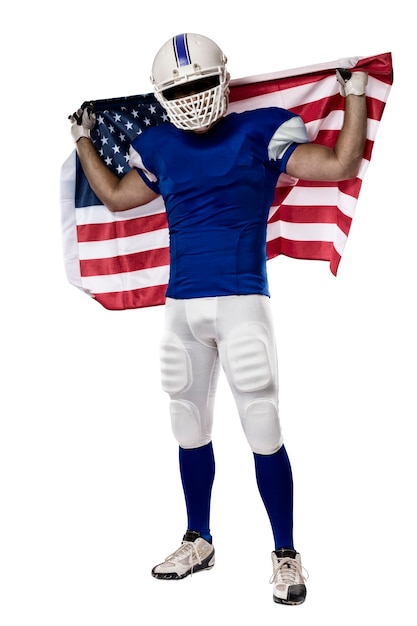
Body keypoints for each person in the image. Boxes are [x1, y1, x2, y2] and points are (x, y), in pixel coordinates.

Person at [69, 32, 368, 605]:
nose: (196, 97)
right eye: (182, 89)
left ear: (226, 79)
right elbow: (114, 197)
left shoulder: (260, 131)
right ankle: (199, 539)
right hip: (181, 306)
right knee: (186, 421)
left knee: (262, 424)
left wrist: (353, 93)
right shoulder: (157, 145)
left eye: (203, 82)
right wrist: (84, 140)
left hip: (240, 301)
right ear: (162, 96)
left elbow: (338, 163)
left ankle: (285, 552)